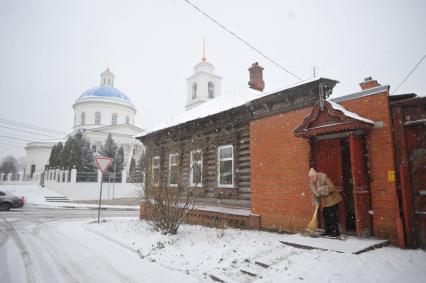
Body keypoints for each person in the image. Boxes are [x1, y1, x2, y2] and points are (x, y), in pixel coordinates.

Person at [308, 168, 343, 237]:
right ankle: (328, 231)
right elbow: (315, 194)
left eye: (312, 176)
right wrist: (315, 200)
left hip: (332, 199)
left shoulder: (324, 178)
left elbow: (332, 188)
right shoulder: (312, 183)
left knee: (332, 216)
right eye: (310, 177)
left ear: (316, 175)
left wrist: (322, 189)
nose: (312, 178)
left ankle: (335, 232)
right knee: (325, 215)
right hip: (325, 201)